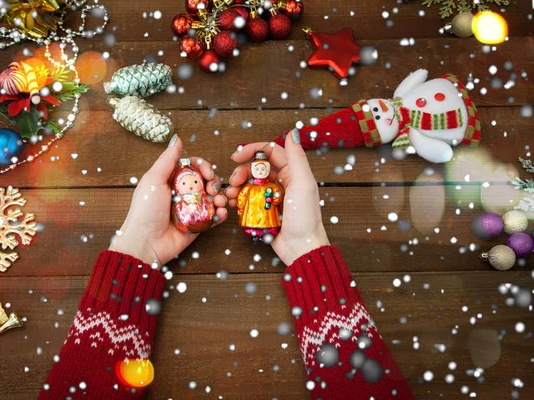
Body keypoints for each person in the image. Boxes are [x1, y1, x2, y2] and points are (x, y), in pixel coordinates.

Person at [38, 130, 414, 399]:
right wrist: (309, 248)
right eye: (184, 184)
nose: (186, 187)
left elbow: (89, 377)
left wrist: (137, 249)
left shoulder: (265, 188)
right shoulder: (237, 191)